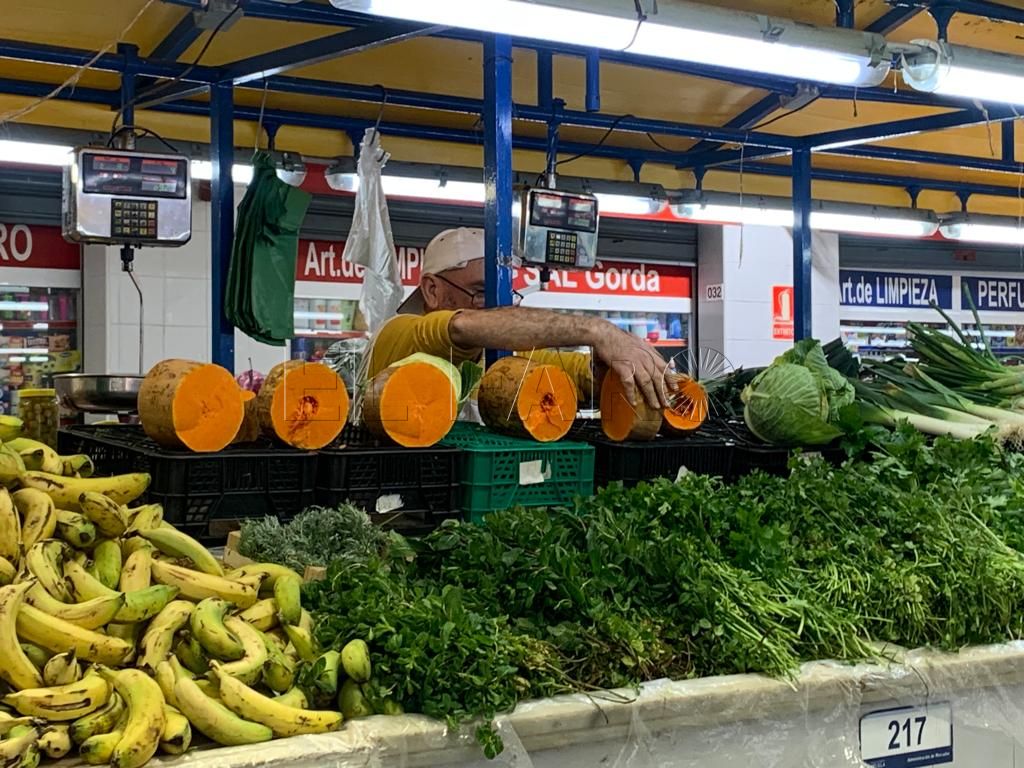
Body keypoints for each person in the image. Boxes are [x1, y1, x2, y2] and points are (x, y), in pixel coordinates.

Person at [366, 227, 669, 410]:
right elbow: (460, 327)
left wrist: (612, 369)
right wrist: (598, 330)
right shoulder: (401, 331)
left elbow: (578, 375)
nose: (494, 307)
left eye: (503, 295)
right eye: (480, 292)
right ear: (432, 290)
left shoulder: (500, 356)